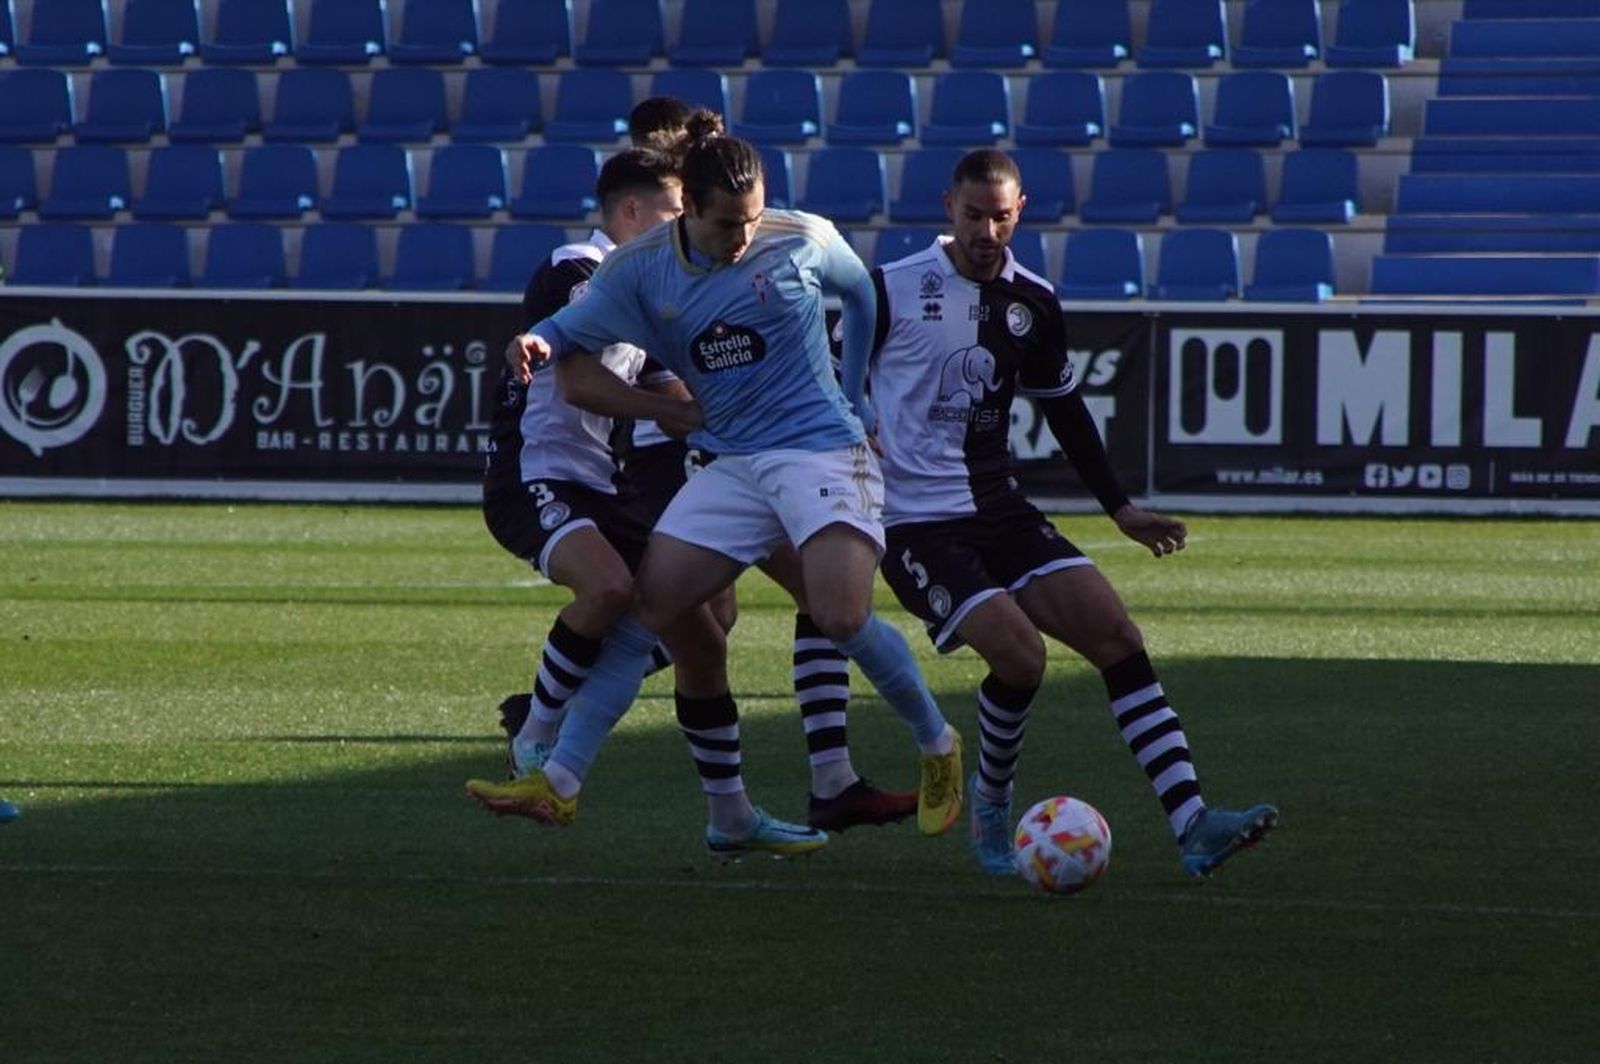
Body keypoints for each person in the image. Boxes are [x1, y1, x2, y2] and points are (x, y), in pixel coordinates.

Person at [468, 115, 963, 842]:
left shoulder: (800, 236)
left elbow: (861, 295)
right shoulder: (638, 270)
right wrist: (536, 339)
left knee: (839, 614)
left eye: (754, 217)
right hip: (732, 464)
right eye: (729, 222)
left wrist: (855, 393)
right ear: (689, 209)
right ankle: (560, 781)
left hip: (821, 451)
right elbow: (571, 332)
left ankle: (938, 744)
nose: (744, 236)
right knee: (652, 609)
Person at [858, 148, 1278, 879]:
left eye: (1001, 215)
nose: (988, 229)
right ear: (946, 208)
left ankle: (1193, 823)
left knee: (1117, 635)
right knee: (1022, 659)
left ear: (1021, 211)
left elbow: (1066, 412)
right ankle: (991, 797)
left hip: (1001, 508)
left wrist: (1119, 508)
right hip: (916, 523)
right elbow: (835, 385)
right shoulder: (889, 290)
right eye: (973, 214)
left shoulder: (1035, 304)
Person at [482, 147, 826, 857]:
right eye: (674, 211)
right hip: (537, 476)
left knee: (704, 631)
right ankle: (536, 732)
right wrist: (674, 413)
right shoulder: (577, 270)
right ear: (632, 212)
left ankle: (730, 817)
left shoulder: (647, 286)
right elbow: (578, 385)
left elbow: (675, 384)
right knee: (608, 588)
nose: (682, 227)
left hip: (606, 485)